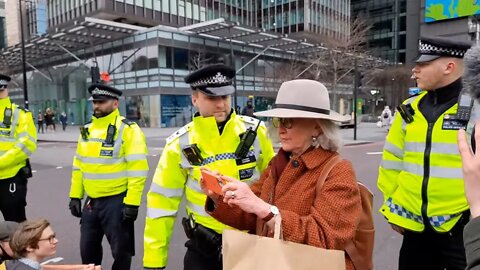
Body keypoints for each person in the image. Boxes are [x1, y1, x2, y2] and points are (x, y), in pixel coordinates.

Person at [201, 79, 361, 269]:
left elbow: (326, 238)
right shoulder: (278, 163)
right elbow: (252, 216)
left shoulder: (338, 171)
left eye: (290, 121)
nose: (281, 129)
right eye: (279, 120)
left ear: (318, 127)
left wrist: (266, 210)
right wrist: (221, 196)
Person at [143, 64, 275, 270]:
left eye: (225, 97)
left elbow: (276, 183)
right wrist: (154, 261)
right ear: (194, 99)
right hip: (203, 248)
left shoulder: (257, 133)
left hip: (250, 244)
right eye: (212, 98)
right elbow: (161, 204)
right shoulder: (179, 144)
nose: (221, 104)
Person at [377, 36, 472, 269]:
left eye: (423, 65)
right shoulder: (408, 110)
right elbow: (391, 162)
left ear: (449, 67)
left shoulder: (476, 111)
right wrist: (394, 209)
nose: (414, 71)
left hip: (461, 230)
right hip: (415, 230)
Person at [68, 83, 149, 270]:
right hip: (92, 202)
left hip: (117, 201)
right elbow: (79, 166)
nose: (96, 106)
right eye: (94, 102)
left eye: (101, 102)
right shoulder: (87, 130)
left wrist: (132, 203)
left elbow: (138, 169)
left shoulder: (128, 129)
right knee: (87, 251)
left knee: (121, 252)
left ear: (115, 104)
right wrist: (75, 195)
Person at [0, 74, 37, 223]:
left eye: (1, 91)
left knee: (16, 226)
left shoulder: (20, 114)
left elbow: (27, 144)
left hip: (11, 178)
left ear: (6, 90)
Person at [5, 219, 100, 270]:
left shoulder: (12, 264)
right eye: (49, 238)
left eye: (54, 236)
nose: (56, 241)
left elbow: (42, 267)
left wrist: (82, 268)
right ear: (30, 247)